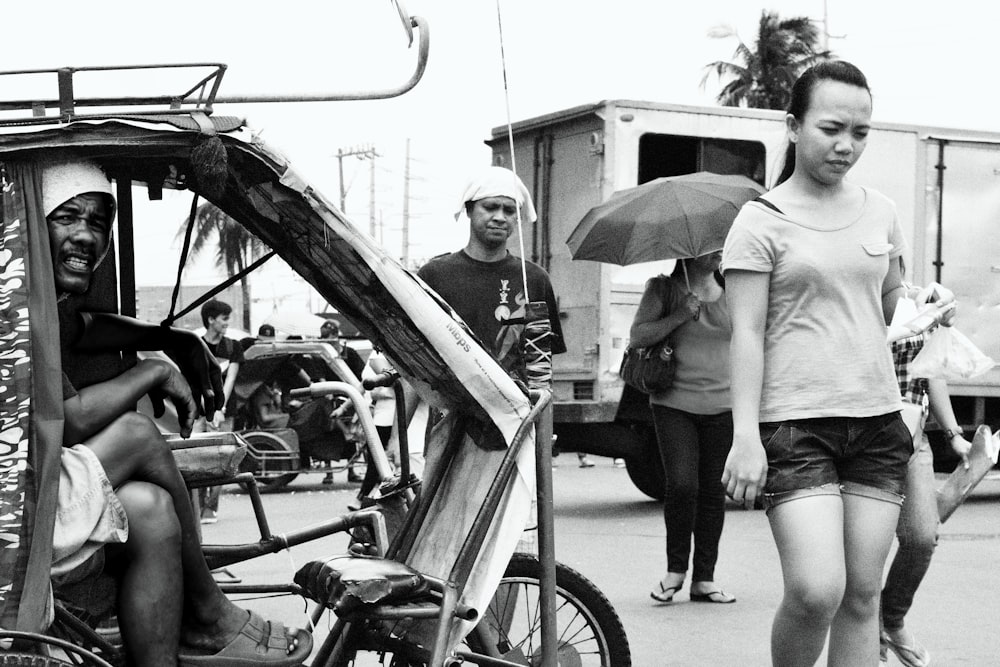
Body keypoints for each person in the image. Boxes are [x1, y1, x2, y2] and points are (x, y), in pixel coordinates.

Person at [44, 157, 309, 666]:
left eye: (97, 223)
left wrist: (171, 338)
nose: (84, 235)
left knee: (150, 507)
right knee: (140, 433)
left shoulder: (40, 295)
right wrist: (155, 371)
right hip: (17, 513)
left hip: (34, 499)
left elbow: (85, 326)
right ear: (35, 223)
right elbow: (72, 418)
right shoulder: (13, 297)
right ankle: (209, 608)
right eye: (67, 217)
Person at [720, 60, 921, 666]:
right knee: (816, 592)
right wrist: (744, 437)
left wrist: (917, 301)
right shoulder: (761, 220)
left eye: (860, 133)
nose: (846, 145)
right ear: (792, 126)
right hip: (793, 427)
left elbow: (884, 311)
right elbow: (746, 334)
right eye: (832, 128)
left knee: (862, 597)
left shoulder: (880, 211)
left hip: (877, 421)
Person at [630, 251, 735, 605]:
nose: (720, 251)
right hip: (674, 404)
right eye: (713, 246)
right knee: (682, 484)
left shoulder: (733, 288)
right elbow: (639, 336)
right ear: (691, 251)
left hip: (724, 404)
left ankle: (704, 578)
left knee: (712, 491)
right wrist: (678, 316)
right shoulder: (664, 289)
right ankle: (675, 570)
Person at [417, 165, 566, 389]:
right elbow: (415, 357)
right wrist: (401, 423)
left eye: (509, 210)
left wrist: (542, 422)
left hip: (517, 416)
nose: (500, 217)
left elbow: (541, 367)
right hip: (450, 412)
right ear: (469, 210)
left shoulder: (535, 278)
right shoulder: (434, 275)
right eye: (490, 207)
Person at [880, 299, 970, 667]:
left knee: (921, 535)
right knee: (864, 544)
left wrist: (953, 434)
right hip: (863, 436)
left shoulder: (920, 304)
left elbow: (933, 373)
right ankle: (865, 627)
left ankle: (892, 617)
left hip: (913, 435)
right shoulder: (853, 299)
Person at [196, 299, 244, 524]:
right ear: (211, 320)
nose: (227, 323)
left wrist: (219, 409)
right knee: (197, 458)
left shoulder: (234, 347)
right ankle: (197, 505)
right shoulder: (195, 345)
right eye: (224, 319)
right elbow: (197, 379)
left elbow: (229, 380)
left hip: (224, 410)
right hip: (200, 410)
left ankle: (211, 507)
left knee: (222, 459)